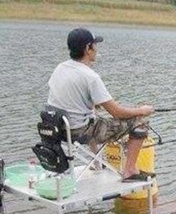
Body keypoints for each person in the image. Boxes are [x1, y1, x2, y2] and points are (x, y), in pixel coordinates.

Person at [47, 27, 155, 182]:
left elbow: (67, 98)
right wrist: (142, 110)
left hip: (59, 130)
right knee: (140, 122)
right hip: (80, 131)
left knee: (95, 115)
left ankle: (97, 164)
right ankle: (130, 171)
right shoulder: (91, 76)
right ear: (87, 48)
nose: (96, 49)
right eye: (94, 45)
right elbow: (117, 113)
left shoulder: (60, 68)